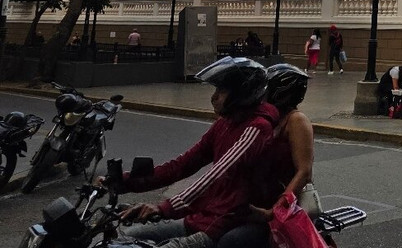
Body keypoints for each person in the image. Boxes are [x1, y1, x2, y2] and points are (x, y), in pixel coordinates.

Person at [115, 57, 277, 248]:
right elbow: (182, 165)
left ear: (242, 94)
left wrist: (164, 208)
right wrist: (123, 182)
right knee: (126, 239)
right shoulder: (225, 124)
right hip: (200, 219)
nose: (214, 97)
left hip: (222, 226)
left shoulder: (256, 129)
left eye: (222, 91)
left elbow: (216, 176)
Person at [217, 64, 316, 248]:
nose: (262, 94)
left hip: (280, 212)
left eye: (266, 88)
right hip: (256, 204)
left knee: (230, 242)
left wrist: (274, 211)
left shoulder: (296, 120)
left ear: (281, 91)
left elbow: (304, 172)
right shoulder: (270, 118)